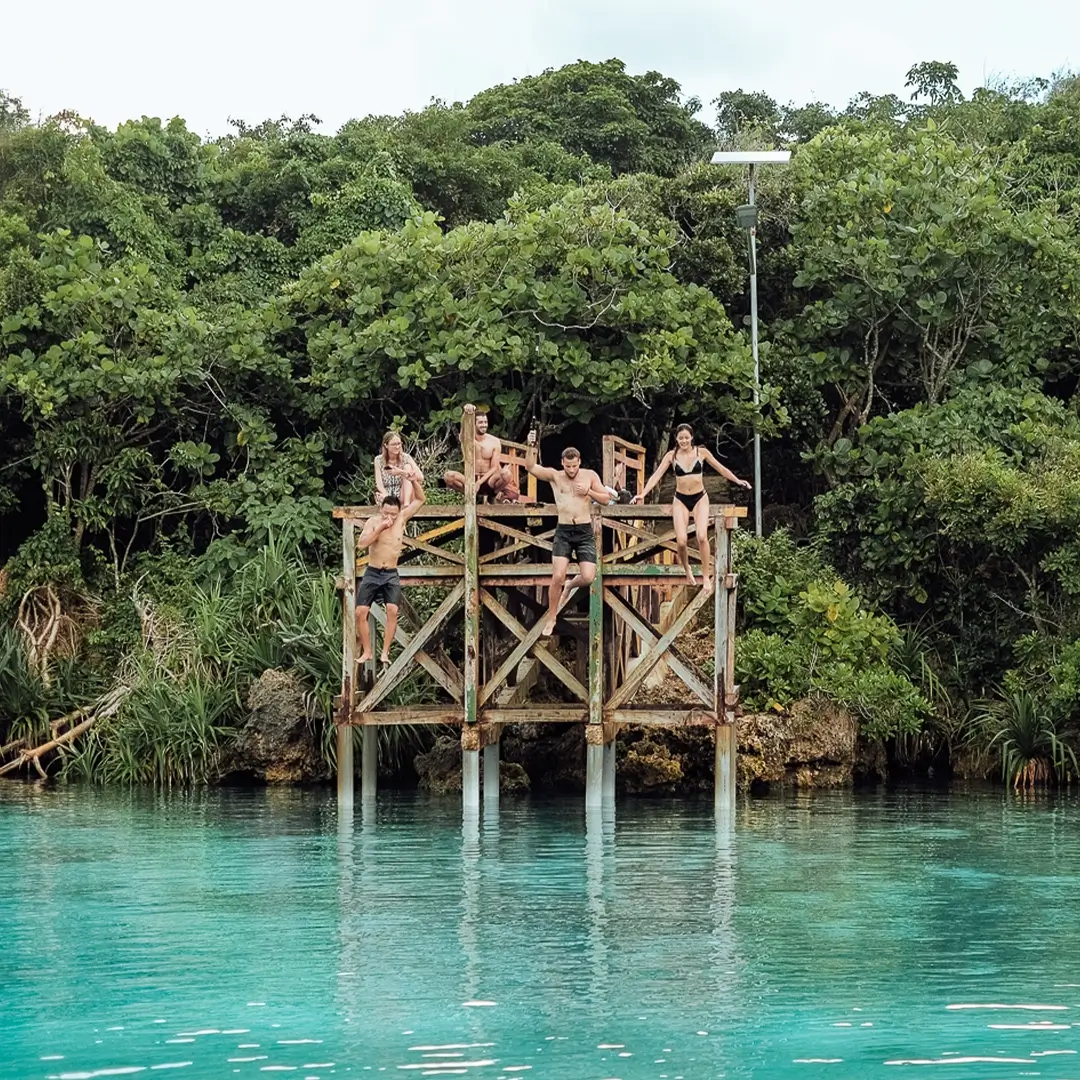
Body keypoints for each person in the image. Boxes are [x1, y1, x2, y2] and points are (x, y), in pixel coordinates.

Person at [631, 423, 751, 591]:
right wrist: (643, 494)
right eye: (681, 438)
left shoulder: (701, 452)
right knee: (681, 541)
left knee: (702, 536)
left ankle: (705, 575)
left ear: (692, 437)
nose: (684, 441)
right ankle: (686, 568)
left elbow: (720, 468)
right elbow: (657, 475)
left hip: (700, 498)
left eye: (687, 437)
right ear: (677, 439)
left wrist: (737, 481)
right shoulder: (671, 456)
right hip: (680, 499)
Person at [525, 428, 615, 636]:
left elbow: (606, 499)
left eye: (574, 466)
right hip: (564, 530)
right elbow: (531, 467)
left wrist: (589, 492)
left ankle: (570, 585)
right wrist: (531, 444)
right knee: (557, 576)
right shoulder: (556, 477)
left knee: (588, 576)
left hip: (584, 530)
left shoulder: (589, 475)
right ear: (562, 463)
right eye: (568, 466)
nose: (572, 470)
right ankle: (552, 616)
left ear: (579, 462)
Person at [355, 480, 426, 667]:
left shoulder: (401, 519)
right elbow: (361, 544)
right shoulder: (373, 522)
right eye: (386, 513)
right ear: (381, 510)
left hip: (391, 572)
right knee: (360, 612)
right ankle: (367, 651)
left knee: (393, 610)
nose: (390, 517)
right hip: (373, 571)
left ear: (398, 512)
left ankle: (385, 652)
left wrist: (412, 479)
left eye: (393, 514)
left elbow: (421, 499)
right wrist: (380, 528)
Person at [443, 405, 521, 502]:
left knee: (507, 474)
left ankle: (494, 494)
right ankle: (470, 494)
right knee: (448, 476)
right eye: (480, 422)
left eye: (485, 422)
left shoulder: (494, 441)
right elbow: (463, 428)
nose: (484, 425)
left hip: (489, 480)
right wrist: (466, 413)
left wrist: (479, 482)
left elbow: (494, 467)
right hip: (471, 479)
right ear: (474, 424)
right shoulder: (468, 440)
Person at [374, 431, 423, 508]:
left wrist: (400, 472)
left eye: (399, 444)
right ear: (386, 445)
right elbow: (379, 484)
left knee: (407, 467)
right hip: (388, 495)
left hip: (404, 495)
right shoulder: (378, 460)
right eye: (394, 444)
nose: (397, 447)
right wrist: (388, 498)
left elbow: (420, 477)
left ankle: (406, 506)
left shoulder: (406, 457)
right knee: (380, 496)